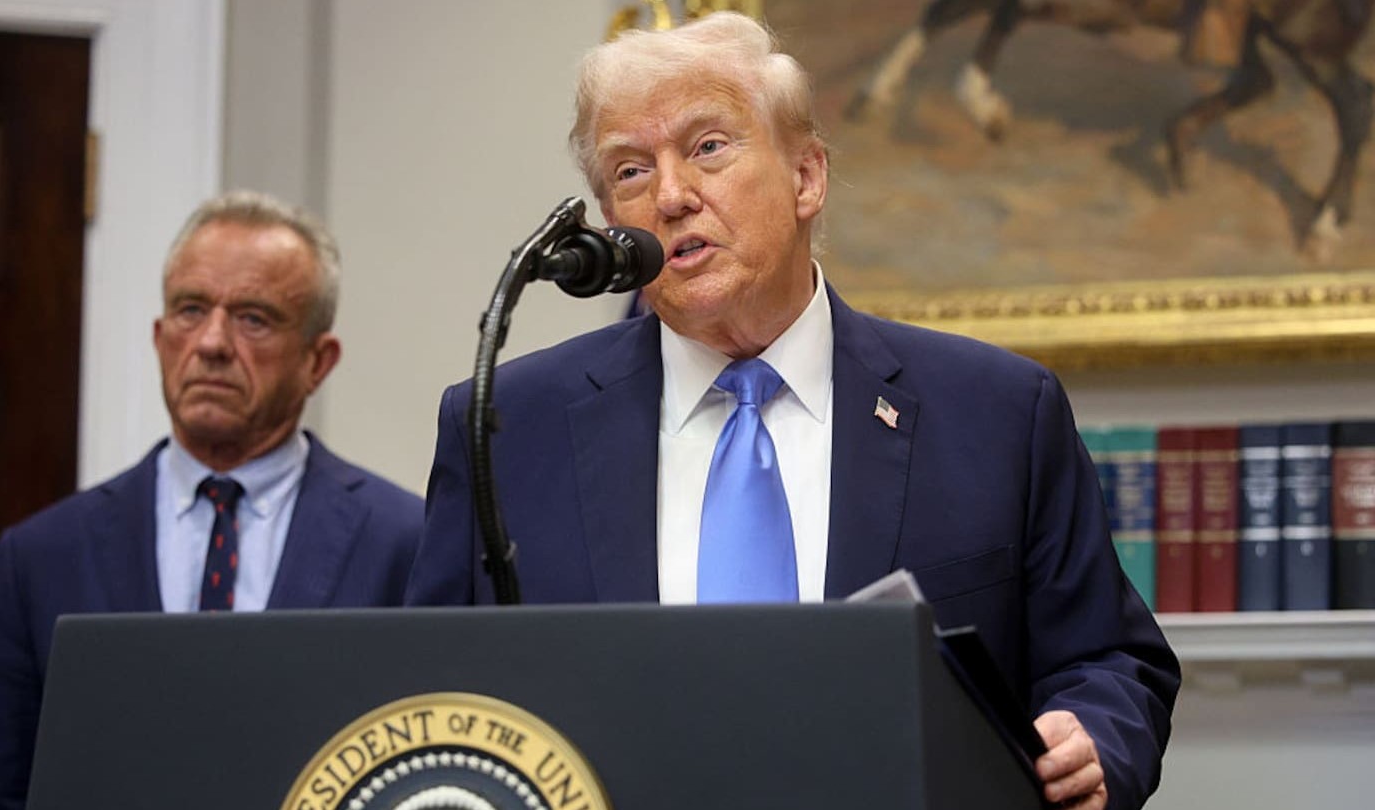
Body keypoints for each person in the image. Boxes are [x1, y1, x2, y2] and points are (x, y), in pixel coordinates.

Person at [406, 12, 1178, 810]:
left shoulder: (997, 412)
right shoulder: (509, 428)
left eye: (708, 147)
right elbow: (424, 693)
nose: (671, 196)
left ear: (807, 177)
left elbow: (1111, 662)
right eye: (630, 172)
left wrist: (1094, 736)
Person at [0, 191, 425, 809]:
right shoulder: (42, 556)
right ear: (158, 338)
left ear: (318, 361)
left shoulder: (405, 541)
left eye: (253, 318)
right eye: (190, 310)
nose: (211, 343)